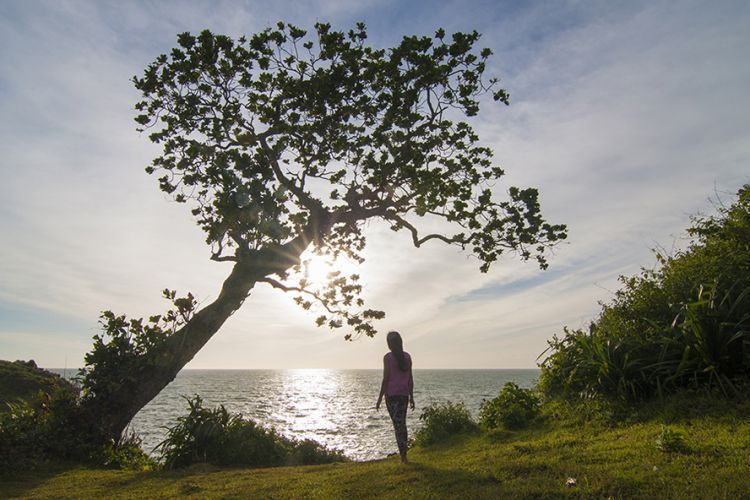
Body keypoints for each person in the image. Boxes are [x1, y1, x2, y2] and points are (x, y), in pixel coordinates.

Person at [376, 330, 415, 464]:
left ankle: (403, 456)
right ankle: (404, 454)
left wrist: (380, 397)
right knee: (401, 425)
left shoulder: (388, 358)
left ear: (389, 344)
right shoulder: (407, 357)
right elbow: (410, 378)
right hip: (403, 395)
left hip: (392, 396)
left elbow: (386, 378)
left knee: (398, 426)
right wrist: (411, 396)